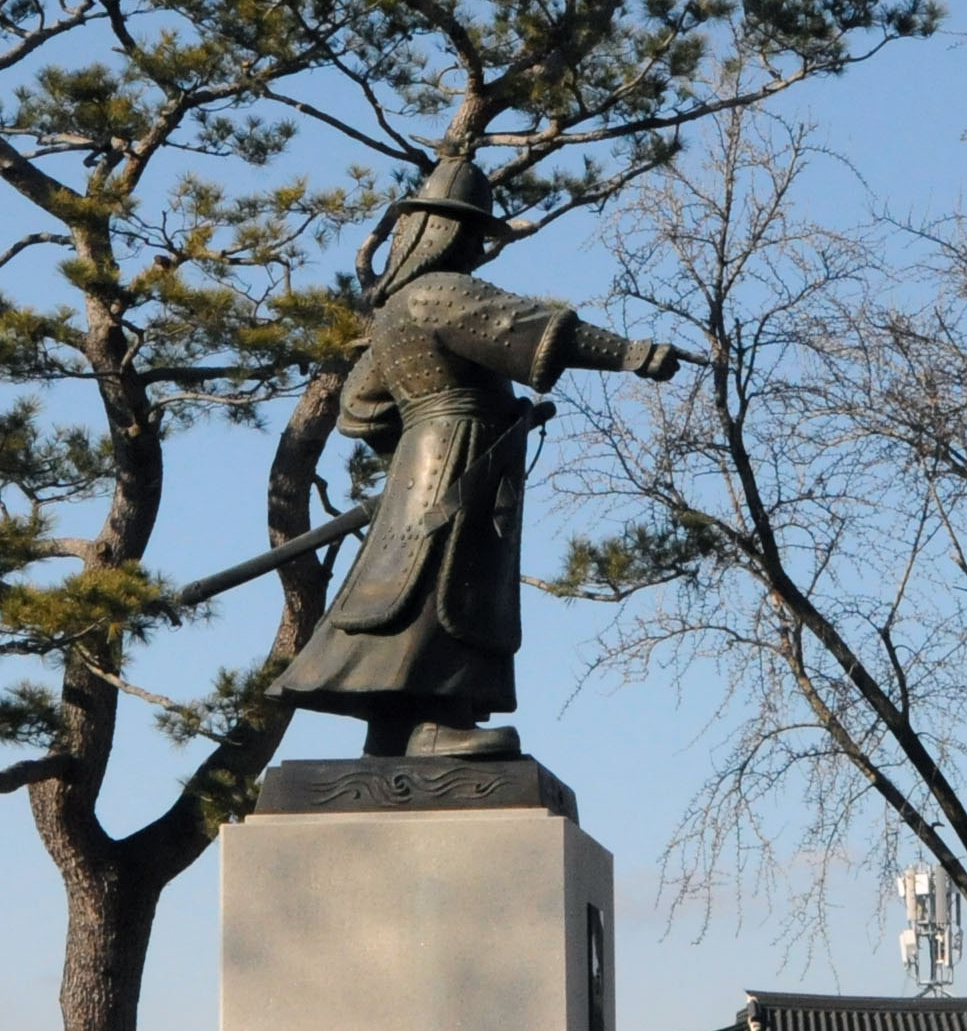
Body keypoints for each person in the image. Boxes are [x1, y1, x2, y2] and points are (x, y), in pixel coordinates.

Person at [282, 157, 682, 758]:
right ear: (440, 233)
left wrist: (408, 453)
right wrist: (632, 352)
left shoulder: (390, 315)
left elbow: (358, 409)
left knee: (409, 581)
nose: (474, 246)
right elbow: (534, 329)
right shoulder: (440, 293)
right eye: (467, 231)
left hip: (422, 464)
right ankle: (435, 719)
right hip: (460, 458)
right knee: (446, 580)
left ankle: (392, 729)